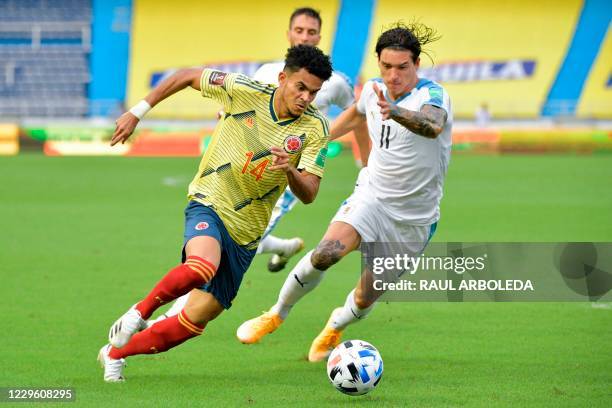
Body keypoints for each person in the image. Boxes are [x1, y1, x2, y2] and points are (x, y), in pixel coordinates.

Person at [98, 45, 333, 382]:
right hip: (210, 200)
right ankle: (139, 313)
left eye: (314, 92)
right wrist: (138, 112)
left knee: (194, 322)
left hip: (247, 233)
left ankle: (115, 353)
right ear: (283, 78)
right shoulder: (243, 90)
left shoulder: (315, 129)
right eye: (301, 87)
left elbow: (309, 193)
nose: (306, 98)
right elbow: (184, 75)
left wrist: (290, 171)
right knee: (200, 266)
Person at [236, 22, 452, 362]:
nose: (393, 75)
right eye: (386, 66)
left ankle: (335, 326)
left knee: (366, 297)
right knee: (326, 253)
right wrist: (309, 144)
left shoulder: (432, 96)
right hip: (372, 198)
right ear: (378, 63)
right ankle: (276, 313)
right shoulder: (373, 91)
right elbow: (353, 117)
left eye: (402, 67)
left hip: (415, 219)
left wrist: (394, 111)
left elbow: (433, 124)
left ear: (417, 65)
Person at [145, 7, 369, 328]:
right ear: (289, 33)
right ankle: (282, 247)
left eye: (311, 32)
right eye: (300, 30)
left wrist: (361, 160)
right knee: (225, 243)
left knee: (237, 241)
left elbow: (358, 115)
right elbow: (232, 108)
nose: (305, 36)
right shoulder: (267, 72)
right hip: (244, 169)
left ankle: (166, 317)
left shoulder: (336, 83)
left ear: (320, 36)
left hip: (283, 176)